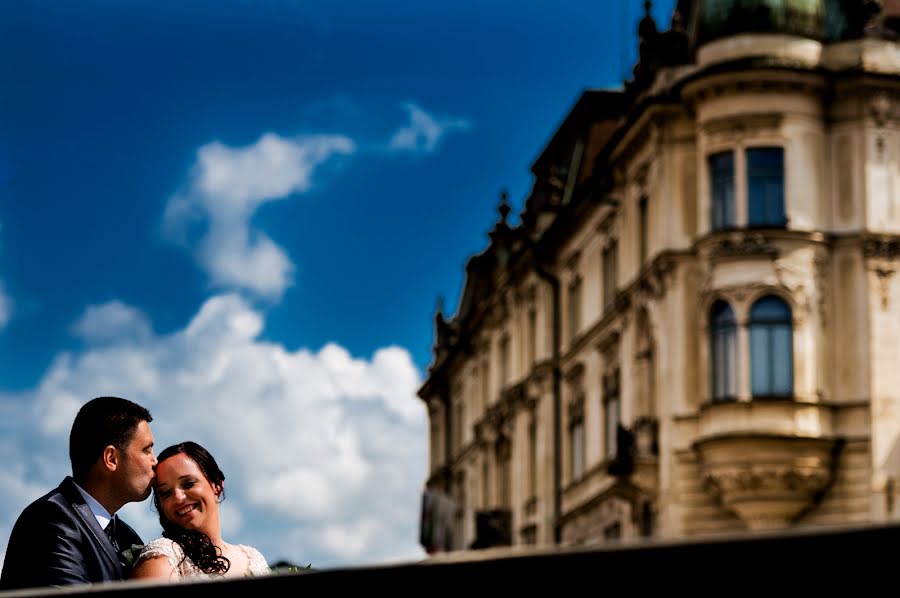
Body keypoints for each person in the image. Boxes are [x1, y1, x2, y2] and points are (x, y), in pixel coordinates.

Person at [0, 396, 157, 590]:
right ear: (111, 458)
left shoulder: (126, 535)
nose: (154, 461)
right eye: (146, 450)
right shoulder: (51, 520)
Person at [129, 441, 269, 581]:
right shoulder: (161, 557)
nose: (178, 497)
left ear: (217, 485)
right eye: (165, 492)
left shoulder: (253, 558)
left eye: (188, 484)